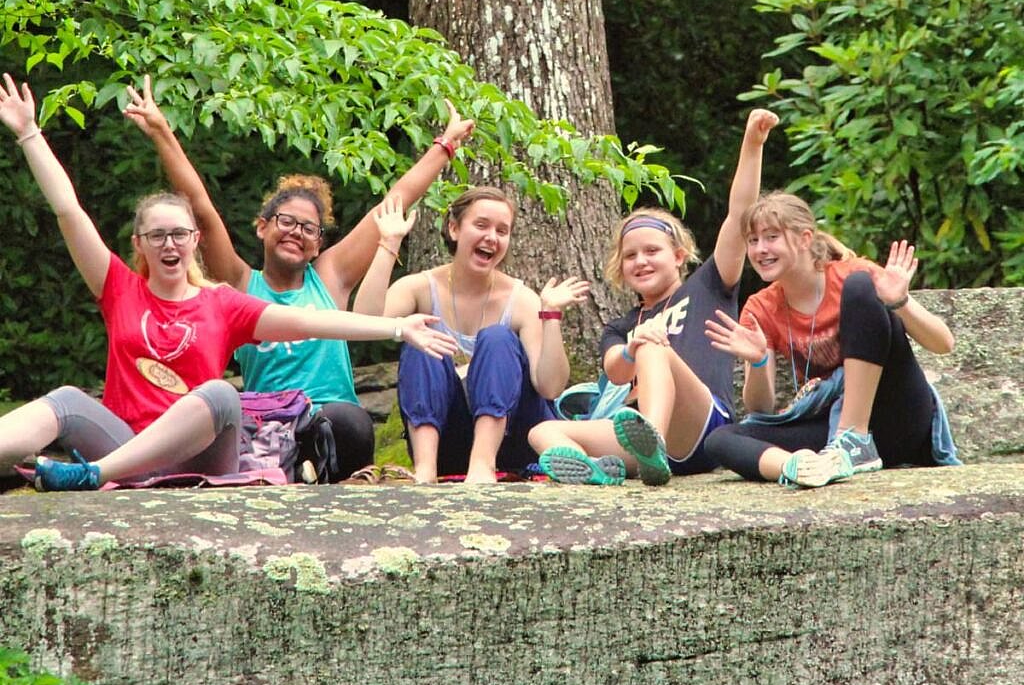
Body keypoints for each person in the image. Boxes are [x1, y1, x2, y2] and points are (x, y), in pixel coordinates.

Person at [0, 75, 457, 492]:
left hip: (202, 452)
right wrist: (28, 133)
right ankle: (99, 469)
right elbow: (70, 211)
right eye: (157, 235)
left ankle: (95, 474)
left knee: (225, 395)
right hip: (130, 446)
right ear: (139, 243)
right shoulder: (139, 287)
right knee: (65, 400)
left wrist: (399, 328)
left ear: (193, 241)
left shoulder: (234, 299)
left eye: (179, 234)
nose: (169, 244)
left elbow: (315, 320)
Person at [124, 75, 474, 480]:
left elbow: (394, 201)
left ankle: (316, 473)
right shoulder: (239, 285)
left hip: (332, 420)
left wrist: (445, 147)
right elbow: (201, 209)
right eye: (286, 221)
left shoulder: (329, 277)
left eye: (309, 229)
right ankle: (288, 470)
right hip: (267, 423)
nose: (296, 232)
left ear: (318, 245)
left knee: (351, 422)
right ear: (262, 227)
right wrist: (162, 131)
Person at [527, 109, 779, 486]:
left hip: (701, 427)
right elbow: (616, 369)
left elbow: (740, 214)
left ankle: (653, 441)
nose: (640, 261)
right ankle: (596, 471)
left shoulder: (709, 286)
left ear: (678, 256)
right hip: (635, 435)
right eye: (630, 256)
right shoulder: (622, 324)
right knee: (541, 432)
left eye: (652, 251)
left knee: (651, 347)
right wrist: (631, 346)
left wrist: (752, 144)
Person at [702, 191, 957, 488]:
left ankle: (853, 437)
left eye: (771, 237)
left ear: (804, 238)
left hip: (897, 415)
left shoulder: (854, 276)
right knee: (721, 439)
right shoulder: (761, 308)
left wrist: (900, 302)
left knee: (861, 287)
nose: (760, 250)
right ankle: (798, 467)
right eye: (753, 241)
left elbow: (944, 344)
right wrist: (757, 361)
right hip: (830, 432)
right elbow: (760, 407)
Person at [353, 186, 590, 483]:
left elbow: (550, 388)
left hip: (512, 441)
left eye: (502, 231)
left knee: (497, 338)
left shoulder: (522, 300)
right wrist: (389, 243)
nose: (492, 237)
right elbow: (363, 323)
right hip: (447, 442)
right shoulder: (419, 287)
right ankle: (425, 472)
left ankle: (483, 465)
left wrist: (551, 315)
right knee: (419, 340)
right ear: (454, 228)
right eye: (481, 225)